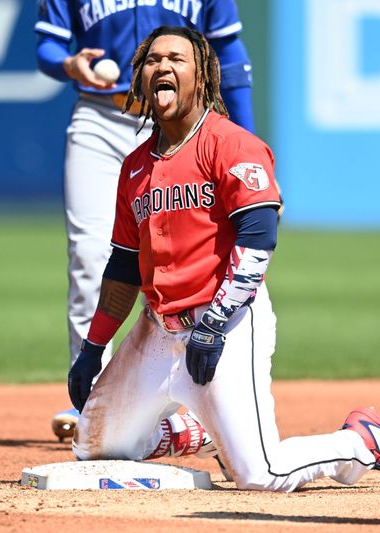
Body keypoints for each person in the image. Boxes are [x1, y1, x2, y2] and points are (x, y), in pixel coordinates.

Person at [66, 25, 380, 491]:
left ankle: (358, 444)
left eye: (177, 59)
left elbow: (259, 239)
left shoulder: (230, 143)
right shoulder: (135, 166)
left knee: (261, 475)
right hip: (156, 329)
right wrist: (93, 348)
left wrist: (215, 323)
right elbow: (121, 269)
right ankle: (193, 430)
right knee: (93, 446)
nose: (163, 67)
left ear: (203, 76)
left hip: (228, 322)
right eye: (153, 60)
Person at [35, 0, 255, 441]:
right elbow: (47, 46)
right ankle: (94, 394)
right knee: (90, 253)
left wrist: (247, 140)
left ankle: (197, 394)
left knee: (191, 253)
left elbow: (229, 54)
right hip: (101, 115)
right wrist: (69, 66)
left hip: (186, 124)